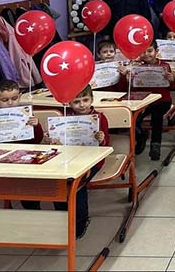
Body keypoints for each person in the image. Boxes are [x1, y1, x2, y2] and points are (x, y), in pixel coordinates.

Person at [51, 85, 109, 239]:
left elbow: (106, 145)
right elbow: (57, 144)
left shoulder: (99, 118)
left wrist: (101, 139)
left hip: (93, 159)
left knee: (78, 183)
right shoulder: (63, 118)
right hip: (68, 157)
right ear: (69, 103)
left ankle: (81, 220)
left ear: (92, 99)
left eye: (85, 100)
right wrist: (51, 139)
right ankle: (62, 216)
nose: (82, 105)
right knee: (59, 182)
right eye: (76, 102)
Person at [0, 80, 43, 210]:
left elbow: (37, 141)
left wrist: (36, 126)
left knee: (29, 192)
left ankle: (32, 210)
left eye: (14, 98)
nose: (10, 103)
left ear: (20, 97)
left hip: (23, 160)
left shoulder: (25, 115)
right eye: (5, 100)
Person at [120, 40, 174, 160]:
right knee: (134, 118)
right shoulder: (136, 66)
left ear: (156, 51)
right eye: (143, 52)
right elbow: (132, 89)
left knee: (157, 117)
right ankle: (141, 136)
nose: (146, 54)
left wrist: (171, 80)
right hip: (143, 101)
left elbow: (171, 87)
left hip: (162, 100)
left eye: (150, 51)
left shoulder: (164, 66)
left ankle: (155, 145)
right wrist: (129, 80)